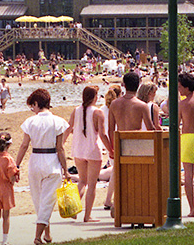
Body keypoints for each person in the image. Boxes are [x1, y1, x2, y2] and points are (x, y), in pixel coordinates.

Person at [16, 89, 69, 245]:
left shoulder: (30, 122)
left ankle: (46, 234)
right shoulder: (58, 121)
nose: (32, 109)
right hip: (51, 160)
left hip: (35, 160)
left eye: (32, 106)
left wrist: (17, 165)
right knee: (47, 201)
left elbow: (24, 146)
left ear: (36, 103)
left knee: (39, 200)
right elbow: (60, 148)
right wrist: (66, 169)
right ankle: (39, 236)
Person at [106, 72, 154, 212]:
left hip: (120, 143)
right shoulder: (141, 105)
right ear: (138, 86)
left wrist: (112, 148)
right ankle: (134, 206)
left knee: (121, 177)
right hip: (136, 143)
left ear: (124, 85)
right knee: (137, 176)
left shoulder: (114, 104)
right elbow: (150, 128)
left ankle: (119, 205)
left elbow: (110, 129)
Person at [64, 86, 112, 222]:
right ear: (94, 97)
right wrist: (110, 150)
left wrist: (61, 144)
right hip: (93, 150)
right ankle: (87, 216)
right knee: (91, 185)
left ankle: (73, 209)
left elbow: (68, 128)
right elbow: (102, 134)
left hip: (78, 150)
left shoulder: (76, 110)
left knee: (82, 181)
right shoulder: (97, 112)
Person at [178, 72, 194, 216]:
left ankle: (192, 208)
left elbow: (176, 123)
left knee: (188, 175)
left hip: (188, 138)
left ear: (187, 87)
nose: (179, 90)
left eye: (180, 87)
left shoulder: (183, 104)